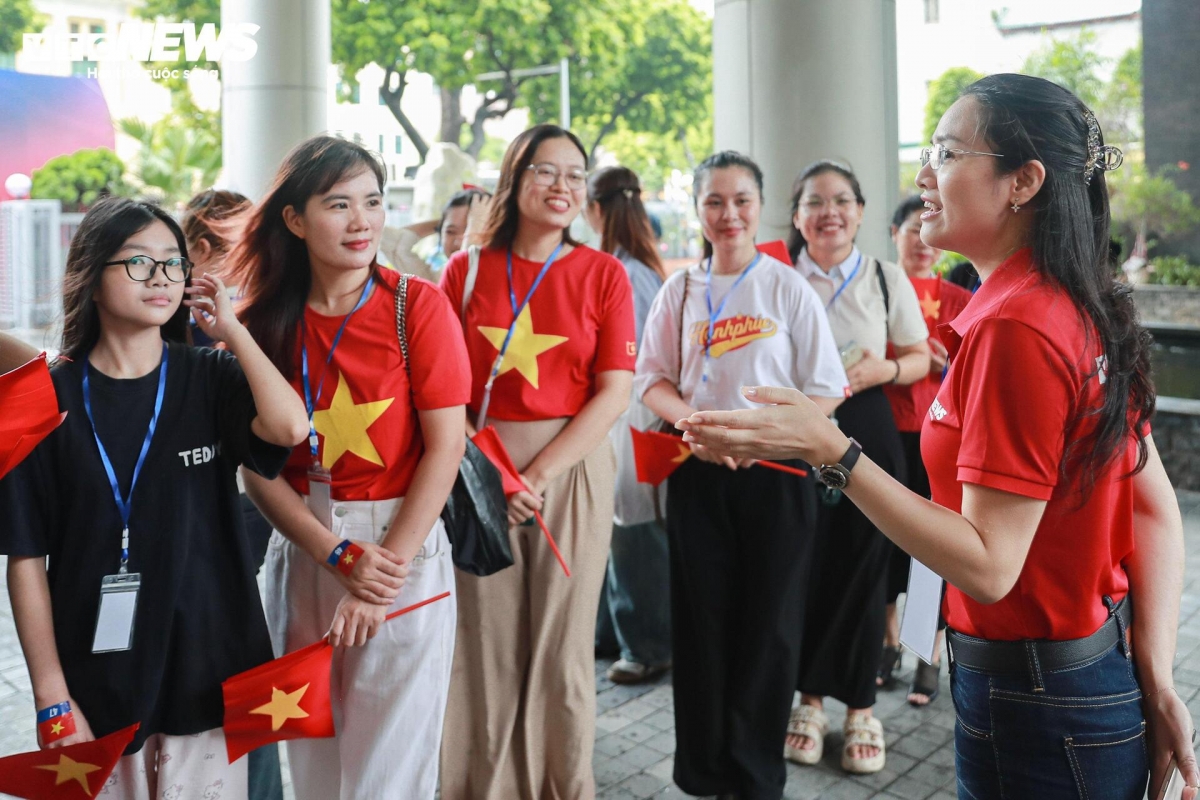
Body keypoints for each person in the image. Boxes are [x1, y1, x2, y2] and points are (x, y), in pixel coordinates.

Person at [677, 74, 1199, 800]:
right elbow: (1153, 506)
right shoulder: (1073, 302)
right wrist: (1157, 678)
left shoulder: (1016, 326)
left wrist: (831, 450)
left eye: (948, 154)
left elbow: (988, 566)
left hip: (1036, 701)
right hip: (1088, 678)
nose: (923, 176)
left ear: (1023, 183)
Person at [0, 197, 307, 798]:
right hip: (96, 684)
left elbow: (290, 428)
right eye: (139, 263)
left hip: (211, 673)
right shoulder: (46, 400)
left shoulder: (210, 376)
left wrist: (233, 331)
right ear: (92, 276)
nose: (161, 277)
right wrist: (51, 696)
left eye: (173, 263)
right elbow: (26, 559)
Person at [228, 135, 471, 799]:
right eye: (339, 204)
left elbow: (446, 447)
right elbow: (257, 470)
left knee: (389, 774)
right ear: (294, 219)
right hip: (305, 546)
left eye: (373, 201)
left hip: (400, 548)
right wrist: (334, 555)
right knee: (313, 765)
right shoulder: (259, 324)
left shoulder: (416, 306)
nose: (362, 220)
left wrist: (377, 577)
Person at [637, 151, 847, 799]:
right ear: (698, 210)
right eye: (714, 201)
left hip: (777, 478)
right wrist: (693, 425)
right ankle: (703, 771)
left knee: (770, 626)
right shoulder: (680, 289)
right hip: (697, 473)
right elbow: (652, 381)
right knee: (701, 621)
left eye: (741, 201)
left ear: (759, 208)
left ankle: (756, 776)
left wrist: (770, 436)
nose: (729, 214)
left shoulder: (787, 287)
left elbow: (827, 388)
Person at [438, 124, 636, 800]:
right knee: (484, 642)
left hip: (572, 474)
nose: (562, 186)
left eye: (575, 175)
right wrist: (492, 473)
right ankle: (482, 787)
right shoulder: (464, 271)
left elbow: (615, 391)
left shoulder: (603, 273)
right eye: (546, 171)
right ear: (514, 179)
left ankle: (563, 786)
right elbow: (440, 391)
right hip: (476, 471)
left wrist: (538, 474)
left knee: (563, 646)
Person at [783, 160, 931, 775]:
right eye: (815, 202)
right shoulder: (777, 277)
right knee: (805, 565)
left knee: (865, 568)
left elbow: (919, 357)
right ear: (797, 217)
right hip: (795, 430)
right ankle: (809, 701)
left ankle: (862, 709)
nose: (830, 213)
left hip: (867, 428)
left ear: (861, 211)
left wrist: (884, 370)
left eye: (842, 200)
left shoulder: (885, 277)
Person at [181, 187, 285, 800]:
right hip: (177, 543)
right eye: (239, 246)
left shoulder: (247, 322)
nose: (254, 260)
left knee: (247, 680)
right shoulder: (157, 331)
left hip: (243, 526)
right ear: (198, 249)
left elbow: (287, 428)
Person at [878, 195, 972, 706]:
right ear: (894, 233)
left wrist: (947, 365)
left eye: (929, 228)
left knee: (932, 545)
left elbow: (979, 372)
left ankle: (926, 652)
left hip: (939, 439)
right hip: (884, 435)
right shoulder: (875, 291)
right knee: (883, 539)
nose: (921, 241)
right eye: (912, 228)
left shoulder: (959, 299)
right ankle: (888, 639)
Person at [585, 165, 674, 685]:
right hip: (625, 413)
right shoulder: (632, 266)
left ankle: (647, 644)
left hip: (632, 414)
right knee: (621, 526)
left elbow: (636, 358)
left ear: (595, 209)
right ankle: (616, 633)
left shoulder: (626, 272)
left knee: (634, 528)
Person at [380, 188, 492, 281]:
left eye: (472, 230)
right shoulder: (437, 279)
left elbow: (469, 266)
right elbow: (392, 243)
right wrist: (443, 222)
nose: (459, 242)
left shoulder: (499, 279)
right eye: (450, 232)